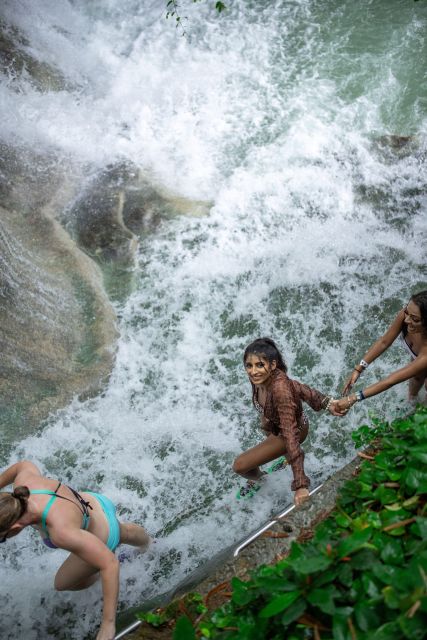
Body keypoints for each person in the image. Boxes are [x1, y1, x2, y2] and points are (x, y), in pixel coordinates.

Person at [0, 460, 151, 640]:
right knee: (121, 530)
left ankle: (101, 572)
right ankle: (150, 544)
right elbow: (23, 464)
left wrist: (108, 624)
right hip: (94, 502)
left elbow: (110, 564)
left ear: (15, 528)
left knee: (62, 583)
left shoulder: (60, 532)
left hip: (104, 536)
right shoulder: (23, 484)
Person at [233, 338, 343, 507]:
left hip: (292, 430)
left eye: (259, 365)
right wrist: (326, 402)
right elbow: (297, 387)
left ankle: (261, 479)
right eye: (249, 365)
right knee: (267, 425)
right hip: (276, 424)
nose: (253, 371)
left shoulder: (280, 390)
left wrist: (300, 485)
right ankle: (287, 458)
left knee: (240, 466)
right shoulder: (261, 377)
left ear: (272, 365)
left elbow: (290, 434)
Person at [337, 290, 427, 413]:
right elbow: (384, 342)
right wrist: (359, 368)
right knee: (417, 377)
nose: (407, 320)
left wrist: (353, 398)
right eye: (407, 312)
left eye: (415, 319)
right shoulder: (407, 316)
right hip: (420, 359)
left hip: (424, 358)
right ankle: (412, 401)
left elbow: (391, 380)